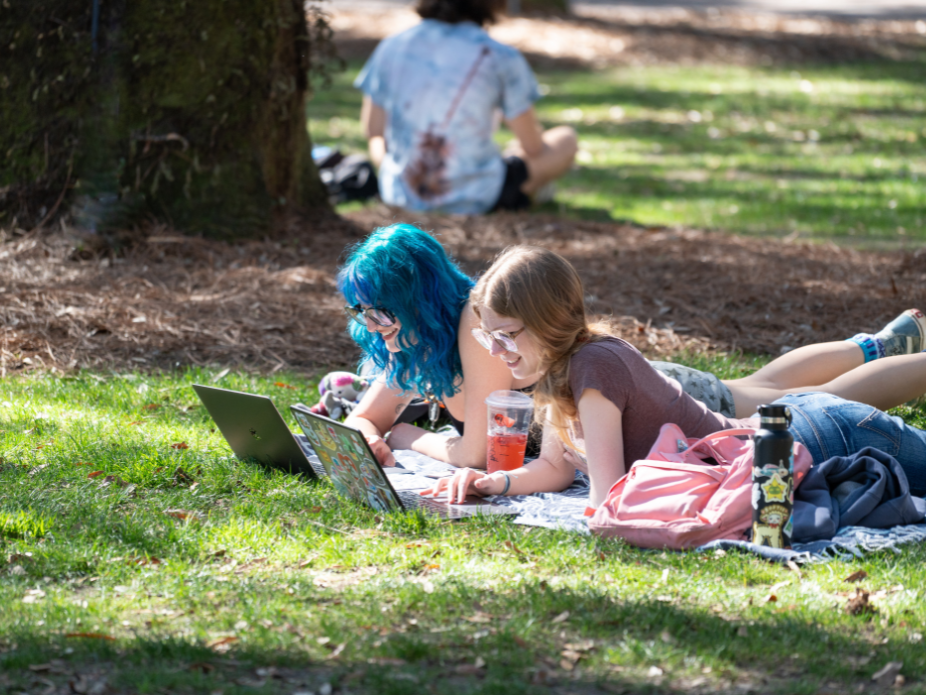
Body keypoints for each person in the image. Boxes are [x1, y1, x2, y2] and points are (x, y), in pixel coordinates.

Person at [423, 246, 926, 507]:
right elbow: (556, 469)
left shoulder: (591, 369)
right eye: (490, 339)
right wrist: (494, 483)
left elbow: (607, 495)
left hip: (817, 438)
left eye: (507, 335)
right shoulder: (560, 372)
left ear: (549, 322)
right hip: (792, 443)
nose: (497, 352)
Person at [338, 223, 537, 469]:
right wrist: (369, 440)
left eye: (381, 310)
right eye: (362, 310)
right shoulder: (416, 335)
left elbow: (478, 454)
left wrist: (406, 436)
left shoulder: (476, 320)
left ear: (422, 300)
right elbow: (364, 418)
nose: (370, 326)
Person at [354, 0, 577, 214]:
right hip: (480, 195)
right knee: (566, 139)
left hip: (400, 193)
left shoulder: (392, 47)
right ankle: (533, 190)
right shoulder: (500, 55)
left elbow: (374, 131)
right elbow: (533, 147)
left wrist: (394, 169)